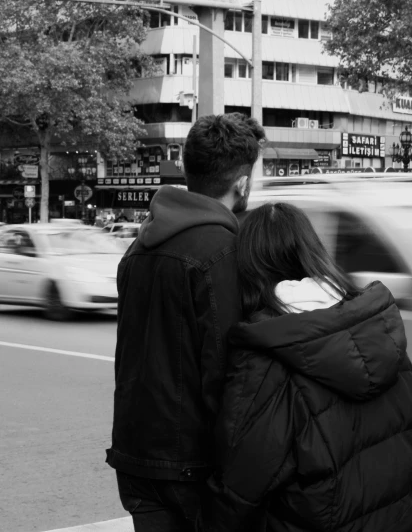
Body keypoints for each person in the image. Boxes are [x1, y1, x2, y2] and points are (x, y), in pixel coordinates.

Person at [207, 202, 412, 532]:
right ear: (313, 250)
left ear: (249, 269)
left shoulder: (265, 357)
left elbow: (241, 486)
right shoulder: (382, 333)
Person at [106, 113, 266, 531]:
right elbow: (224, 369)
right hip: (192, 464)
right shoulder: (222, 252)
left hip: (137, 454)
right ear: (242, 183)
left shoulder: (138, 249)